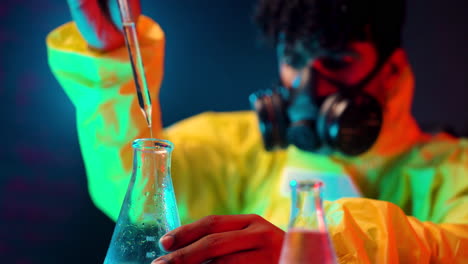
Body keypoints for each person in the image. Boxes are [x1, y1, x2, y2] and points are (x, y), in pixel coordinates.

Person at [47, 0, 468, 263]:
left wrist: (310, 253)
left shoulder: (453, 169)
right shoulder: (236, 148)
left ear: (391, 72)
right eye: (294, 58)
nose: (308, 84)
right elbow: (136, 192)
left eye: (336, 62)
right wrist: (110, 60)